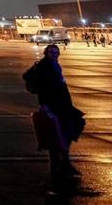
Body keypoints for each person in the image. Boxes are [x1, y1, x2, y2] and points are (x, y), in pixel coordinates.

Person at [33, 44, 85, 177]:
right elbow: (41, 88)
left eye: (57, 52)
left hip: (62, 105)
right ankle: (61, 164)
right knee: (62, 132)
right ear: (46, 53)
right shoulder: (44, 67)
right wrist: (45, 106)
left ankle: (61, 163)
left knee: (67, 129)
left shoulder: (54, 64)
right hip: (53, 106)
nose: (55, 54)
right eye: (52, 52)